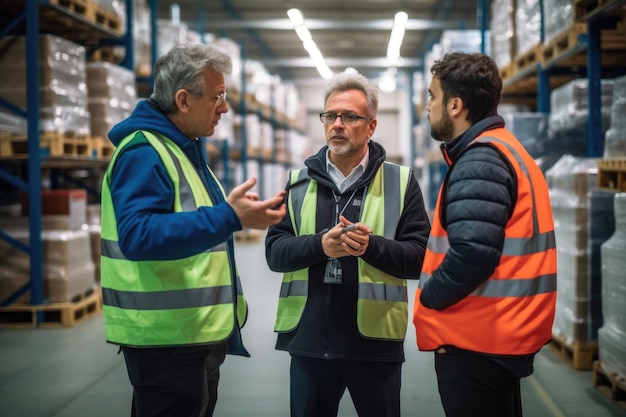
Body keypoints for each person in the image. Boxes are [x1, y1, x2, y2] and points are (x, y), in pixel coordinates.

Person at [99, 43, 287, 417]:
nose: (225, 108)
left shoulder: (183, 148)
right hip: (166, 340)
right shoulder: (144, 152)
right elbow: (138, 235)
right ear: (183, 100)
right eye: (217, 97)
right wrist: (229, 217)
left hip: (192, 335)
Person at [265, 71, 431, 417]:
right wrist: (319, 247)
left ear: (370, 126)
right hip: (309, 343)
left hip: (374, 344)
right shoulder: (298, 183)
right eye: (330, 116)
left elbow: (419, 260)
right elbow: (274, 253)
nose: (337, 124)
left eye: (349, 117)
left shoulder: (401, 182)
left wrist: (370, 247)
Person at [412, 52, 557, 417]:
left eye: (432, 96)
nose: (427, 107)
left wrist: (430, 299)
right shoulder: (506, 149)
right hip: (500, 335)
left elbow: (473, 254)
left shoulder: (481, 160)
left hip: (476, 339)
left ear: (456, 105)